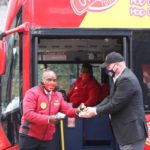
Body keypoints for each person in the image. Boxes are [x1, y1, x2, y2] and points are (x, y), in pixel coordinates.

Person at [79, 52, 148, 150]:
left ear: (117, 65)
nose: (107, 69)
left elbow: (115, 105)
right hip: (127, 133)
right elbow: (110, 98)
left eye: (108, 66)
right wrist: (94, 108)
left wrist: (94, 112)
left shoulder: (126, 79)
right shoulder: (120, 78)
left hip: (132, 133)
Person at [19, 69, 80, 150]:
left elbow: (67, 110)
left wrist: (77, 111)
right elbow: (28, 114)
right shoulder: (32, 93)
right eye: (49, 80)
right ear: (43, 80)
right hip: (29, 137)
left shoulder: (58, 95)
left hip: (46, 139)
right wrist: (48, 119)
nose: (52, 82)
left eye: (54, 80)